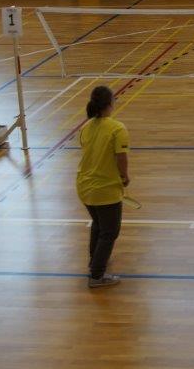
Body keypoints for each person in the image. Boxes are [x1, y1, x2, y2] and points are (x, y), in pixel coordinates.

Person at [77, 85, 130, 289]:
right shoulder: (118, 128)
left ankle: (95, 261)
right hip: (105, 189)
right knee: (110, 231)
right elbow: (121, 157)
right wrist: (124, 176)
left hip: (84, 186)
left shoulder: (85, 127)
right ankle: (97, 275)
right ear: (110, 103)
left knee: (99, 225)